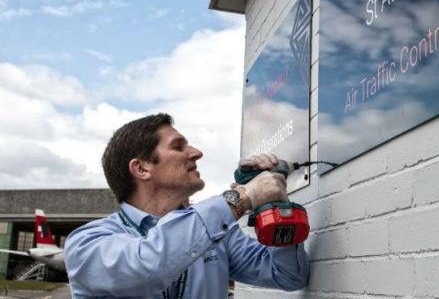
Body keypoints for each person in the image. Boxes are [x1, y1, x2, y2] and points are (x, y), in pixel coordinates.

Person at [64, 113, 310, 298]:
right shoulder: (87, 244)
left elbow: (288, 276)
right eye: (178, 146)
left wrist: (274, 204)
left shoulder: (220, 237)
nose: (196, 152)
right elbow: (147, 267)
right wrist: (242, 197)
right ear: (141, 168)